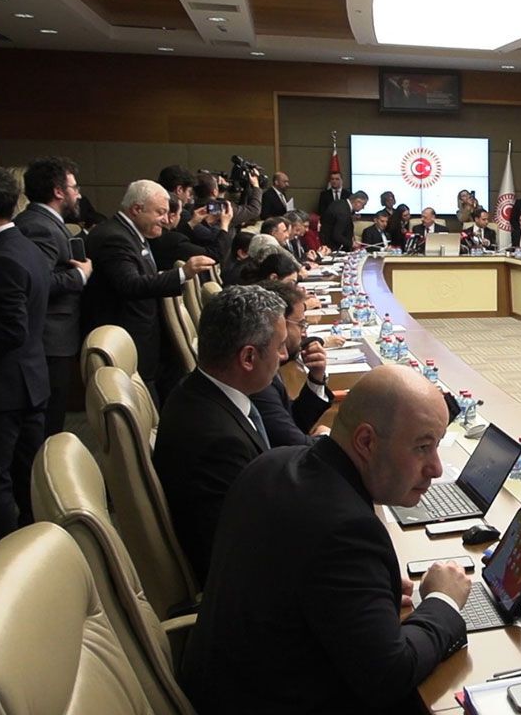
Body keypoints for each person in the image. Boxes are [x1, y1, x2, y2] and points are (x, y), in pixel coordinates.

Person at [180, 365, 470, 712]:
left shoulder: (270, 464)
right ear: (366, 442)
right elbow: (390, 675)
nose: (436, 468)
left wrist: (373, 590)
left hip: (223, 688)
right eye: (422, 447)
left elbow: (302, 586)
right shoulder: (346, 531)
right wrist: (443, 601)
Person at [154, 285, 286, 582]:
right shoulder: (219, 443)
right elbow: (245, 553)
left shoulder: (195, 389)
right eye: (279, 346)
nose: (284, 355)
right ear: (248, 358)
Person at [83, 180, 215, 403]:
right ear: (136, 209)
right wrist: (183, 273)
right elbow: (130, 284)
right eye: (160, 212)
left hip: (143, 338)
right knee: (143, 405)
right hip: (129, 340)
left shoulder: (129, 233)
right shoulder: (114, 237)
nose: (166, 219)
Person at [0, 162, 51, 548]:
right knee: (26, 481)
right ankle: (32, 549)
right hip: (29, 381)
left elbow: (12, 329)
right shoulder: (24, 246)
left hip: (3, 390)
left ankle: (3, 558)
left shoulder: (1, 257)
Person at [14, 156, 91, 437]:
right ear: (58, 191)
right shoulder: (39, 227)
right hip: (49, 339)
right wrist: (80, 275)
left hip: (54, 338)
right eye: (74, 187)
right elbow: (37, 282)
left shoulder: (44, 222)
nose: (78, 194)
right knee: (48, 422)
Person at [251, 280, 332, 446]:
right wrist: (325, 438)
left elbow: (292, 421)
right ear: (279, 323)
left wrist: (316, 379)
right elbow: (293, 444)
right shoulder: (258, 380)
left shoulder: (268, 366)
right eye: (301, 324)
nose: (304, 333)